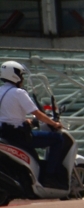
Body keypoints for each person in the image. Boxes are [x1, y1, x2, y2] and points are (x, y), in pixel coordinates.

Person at [0, 61, 68, 189]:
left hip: (5, 133)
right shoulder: (18, 92)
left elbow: (9, 116)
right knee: (58, 139)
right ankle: (50, 176)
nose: (23, 78)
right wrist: (55, 124)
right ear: (15, 75)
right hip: (20, 136)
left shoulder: (1, 91)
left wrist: (28, 121)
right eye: (22, 75)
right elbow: (38, 114)